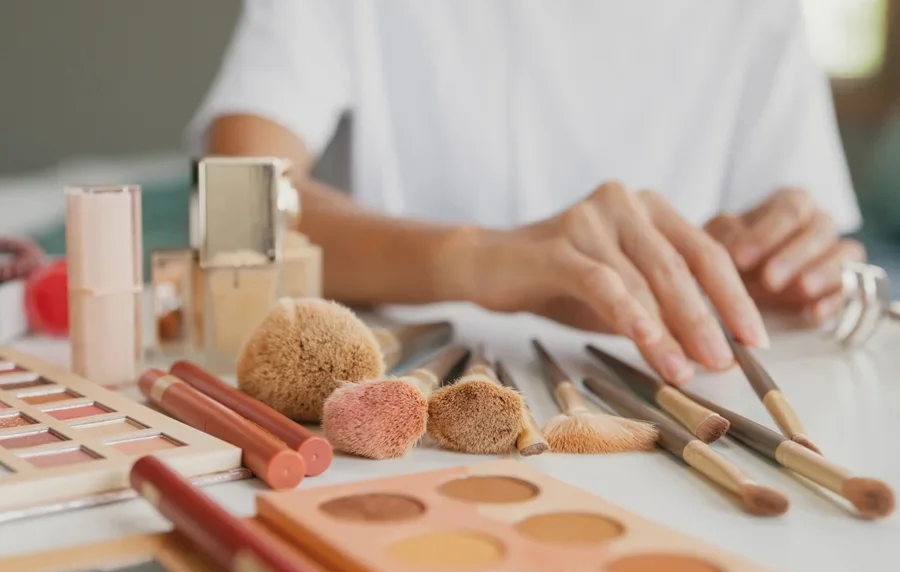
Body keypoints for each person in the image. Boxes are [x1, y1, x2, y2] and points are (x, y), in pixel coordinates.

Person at [186, 0, 865, 386]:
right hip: (396, 407)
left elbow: (818, 244)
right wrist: (478, 260)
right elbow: (233, 216)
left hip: (674, 400)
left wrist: (786, 265)